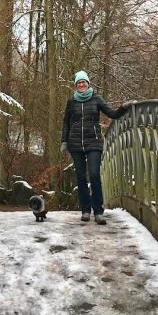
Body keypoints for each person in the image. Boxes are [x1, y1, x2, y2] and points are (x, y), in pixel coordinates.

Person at [60, 71, 133, 225]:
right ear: (76, 85)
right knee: (80, 177)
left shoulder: (96, 98)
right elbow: (66, 122)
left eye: (83, 82)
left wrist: (124, 108)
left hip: (93, 142)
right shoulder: (71, 101)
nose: (81, 85)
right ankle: (85, 211)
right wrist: (64, 141)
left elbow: (112, 114)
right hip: (75, 144)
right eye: (78, 83)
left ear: (88, 83)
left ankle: (98, 212)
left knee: (94, 175)